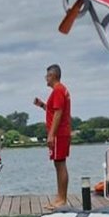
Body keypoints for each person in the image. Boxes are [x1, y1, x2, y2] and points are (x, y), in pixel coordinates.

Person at [34, 63, 71, 209]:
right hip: (61, 133)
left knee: (60, 164)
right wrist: (42, 105)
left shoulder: (58, 90)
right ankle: (60, 197)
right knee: (58, 164)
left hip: (59, 134)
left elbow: (58, 113)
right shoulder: (60, 91)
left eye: (47, 76)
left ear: (53, 75)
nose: (45, 79)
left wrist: (51, 134)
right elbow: (52, 110)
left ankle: (62, 198)